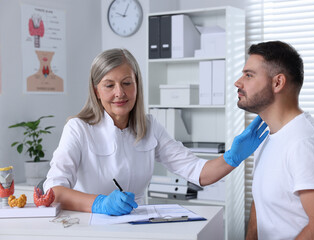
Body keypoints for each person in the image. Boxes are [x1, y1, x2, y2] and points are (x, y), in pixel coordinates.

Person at [43, 48, 268, 216]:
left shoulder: (149, 127)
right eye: (109, 85)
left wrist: (233, 157)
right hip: (90, 226)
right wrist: (99, 204)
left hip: (138, 225)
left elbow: (198, 172)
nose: (120, 93)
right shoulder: (79, 128)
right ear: (96, 91)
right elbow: (54, 190)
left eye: (127, 83)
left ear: (137, 85)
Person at [235, 41, 314, 239]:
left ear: (277, 83)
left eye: (249, 75)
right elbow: (261, 209)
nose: (238, 82)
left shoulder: (307, 143)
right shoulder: (268, 138)